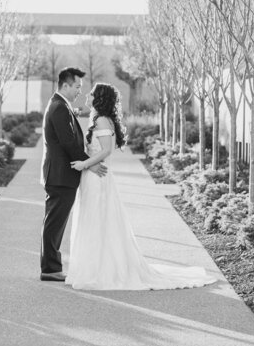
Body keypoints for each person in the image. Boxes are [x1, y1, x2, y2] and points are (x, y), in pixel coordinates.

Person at [66, 82, 217, 290]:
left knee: (96, 219)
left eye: (91, 94)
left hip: (97, 177)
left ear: (99, 98)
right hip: (94, 175)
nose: (87, 96)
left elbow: (106, 151)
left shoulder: (101, 119)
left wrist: (85, 164)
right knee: (95, 220)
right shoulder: (100, 118)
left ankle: (98, 270)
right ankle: (93, 266)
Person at [40, 67, 107, 281]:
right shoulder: (59, 107)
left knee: (56, 222)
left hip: (61, 175)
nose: (80, 91)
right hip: (60, 175)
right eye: (77, 86)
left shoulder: (61, 105)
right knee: (54, 222)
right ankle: (50, 269)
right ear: (66, 85)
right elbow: (68, 142)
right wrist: (90, 164)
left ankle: (51, 267)